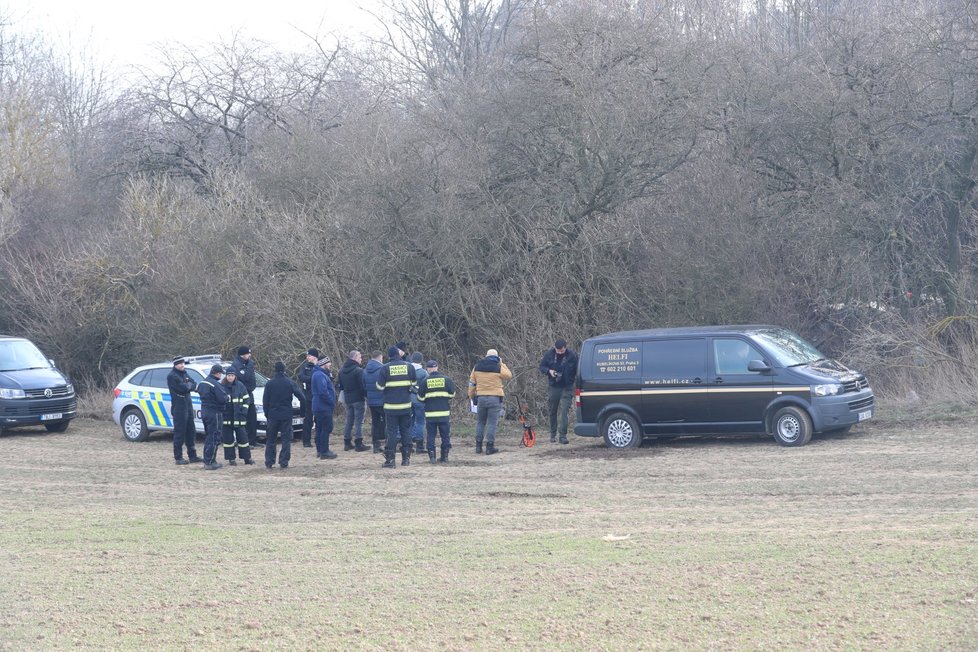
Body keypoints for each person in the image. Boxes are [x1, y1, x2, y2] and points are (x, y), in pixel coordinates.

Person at [377, 345, 417, 468]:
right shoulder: (409, 367)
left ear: (389, 356)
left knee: (392, 432)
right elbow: (414, 384)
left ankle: (390, 460)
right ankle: (406, 459)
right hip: (406, 406)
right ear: (399, 355)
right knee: (406, 431)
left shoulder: (385, 368)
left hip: (391, 407)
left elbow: (379, 387)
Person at [468, 348, 512, 455]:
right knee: (492, 423)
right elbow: (509, 375)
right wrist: (502, 363)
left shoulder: (477, 366)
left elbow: (472, 383)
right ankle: (490, 447)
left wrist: (471, 395)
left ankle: (478, 446)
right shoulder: (498, 366)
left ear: (486, 356)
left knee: (480, 422)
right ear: (497, 357)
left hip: (481, 397)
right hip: (495, 398)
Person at [263, 361, 307, 470]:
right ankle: (284, 462)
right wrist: (302, 413)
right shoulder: (290, 383)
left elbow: (265, 401)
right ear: (284, 370)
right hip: (286, 414)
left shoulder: (269, 383)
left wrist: (267, 414)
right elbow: (302, 398)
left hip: (273, 414)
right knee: (286, 439)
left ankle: (269, 462)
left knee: (271, 439)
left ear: (275, 370)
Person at [539, 338, 578, 444]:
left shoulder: (572, 355)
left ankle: (563, 435)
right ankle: (552, 434)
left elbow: (577, 370)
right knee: (552, 410)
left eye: (562, 350)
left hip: (567, 386)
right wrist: (549, 371)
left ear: (565, 348)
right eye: (558, 350)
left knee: (565, 411)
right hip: (554, 386)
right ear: (555, 348)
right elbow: (541, 366)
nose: (560, 352)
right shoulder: (549, 354)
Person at [417, 359, 456, 463]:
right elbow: (452, 394)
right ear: (437, 367)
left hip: (430, 414)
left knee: (431, 436)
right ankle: (445, 457)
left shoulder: (425, 381)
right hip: (444, 413)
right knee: (445, 435)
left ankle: (432, 458)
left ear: (428, 369)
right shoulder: (446, 380)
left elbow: (420, 398)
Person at [167, 356, 202, 465]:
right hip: (179, 406)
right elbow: (184, 388)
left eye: (183, 363)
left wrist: (189, 385)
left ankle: (193, 455)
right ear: (175, 365)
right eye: (180, 364)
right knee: (180, 432)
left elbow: (193, 383)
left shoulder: (184, 373)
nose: (182, 365)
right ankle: (178, 457)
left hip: (188, 404)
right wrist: (189, 385)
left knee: (191, 431)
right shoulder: (172, 376)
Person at [196, 364, 229, 470]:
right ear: (218, 373)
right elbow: (222, 399)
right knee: (215, 437)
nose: (221, 376)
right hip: (215, 413)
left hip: (205, 411)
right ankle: (210, 462)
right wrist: (227, 397)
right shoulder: (215, 384)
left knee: (209, 437)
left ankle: (208, 459)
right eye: (221, 374)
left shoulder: (202, 382)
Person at [220, 367, 253, 466]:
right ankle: (231, 459)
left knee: (243, 439)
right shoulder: (222, 386)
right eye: (229, 375)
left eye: (232, 375)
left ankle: (247, 458)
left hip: (239, 418)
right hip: (227, 419)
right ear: (226, 376)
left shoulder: (241, 386)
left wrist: (244, 411)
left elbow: (247, 399)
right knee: (228, 441)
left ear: (235, 376)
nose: (230, 377)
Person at [337, 350, 369, 452]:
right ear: (355, 358)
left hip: (347, 399)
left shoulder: (341, 371)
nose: (361, 359)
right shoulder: (358, 371)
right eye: (360, 357)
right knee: (359, 422)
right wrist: (366, 395)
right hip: (358, 399)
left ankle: (347, 442)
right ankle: (358, 443)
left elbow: (339, 385)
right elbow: (362, 386)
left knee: (349, 421)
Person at [311, 355, 338, 459]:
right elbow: (323, 392)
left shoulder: (320, 374)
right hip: (323, 406)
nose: (330, 364)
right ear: (323, 363)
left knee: (320, 428)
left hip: (320, 406)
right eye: (328, 362)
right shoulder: (319, 375)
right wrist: (331, 402)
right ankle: (324, 451)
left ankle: (320, 450)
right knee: (325, 428)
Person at [233, 346, 260, 448]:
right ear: (243, 354)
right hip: (241, 395)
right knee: (244, 419)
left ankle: (253, 440)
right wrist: (249, 366)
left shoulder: (248, 364)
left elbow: (251, 379)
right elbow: (244, 377)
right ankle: (245, 441)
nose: (250, 355)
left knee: (252, 418)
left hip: (250, 394)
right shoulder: (237, 365)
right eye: (248, 354)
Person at [362, 350, 386, 453]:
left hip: (371, 401)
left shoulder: (365, 370)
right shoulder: (382, 369)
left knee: (375, 423)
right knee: (387, 422)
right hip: (382, 400)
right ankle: (388, 444)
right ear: (380, 357)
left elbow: (363, 386)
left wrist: (368, 396)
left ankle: (376, 445)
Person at [297, 348, 319, 447]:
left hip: (318, 396)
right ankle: (306, 441)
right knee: (308, 419)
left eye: (309, 355)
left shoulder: (318, 366)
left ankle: (318, 440)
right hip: (308, 396)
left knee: (318, 419)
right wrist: (311, 379)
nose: (307, 357)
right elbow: (301, 377)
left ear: (314, 356)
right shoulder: (304, 367)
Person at [409, 351, 428, 453]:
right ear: (421, 360)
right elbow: (426, 387)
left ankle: (409, 444)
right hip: (419, 400)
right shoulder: (424, 372)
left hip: (408, 400)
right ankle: (419, 446)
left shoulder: (407, 370)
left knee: (409, 422)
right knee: (420, 422)